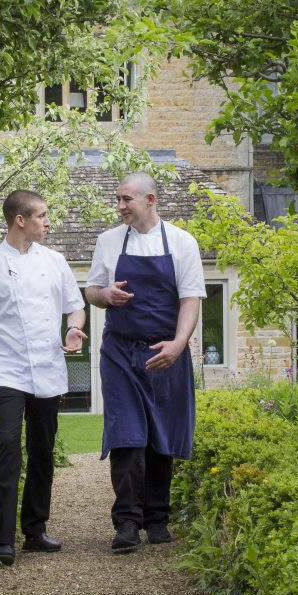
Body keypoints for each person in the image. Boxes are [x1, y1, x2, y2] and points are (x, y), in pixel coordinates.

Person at [0, 189, 86, 566]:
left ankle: (35, 530)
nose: (48, 222)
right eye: (42, 216)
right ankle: (4, 538)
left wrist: (74, 330)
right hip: (6, 373)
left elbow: (74, 308)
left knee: (43, 451)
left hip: (47, 369)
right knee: (8, 447)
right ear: (21, 220)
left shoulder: (55, 261)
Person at [85, 172, 205, 552]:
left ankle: (157, 519)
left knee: (162, 435)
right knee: (127, 435)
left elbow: (191, 300)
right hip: (120, 352)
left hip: (165, 353)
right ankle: (126, 522)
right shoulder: (107, 241)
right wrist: (104, 294)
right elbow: (91, 291)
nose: (120, 206)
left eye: (126, 199)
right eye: (118, 199)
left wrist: (178, 344)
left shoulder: (183, 243)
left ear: (150, 199)